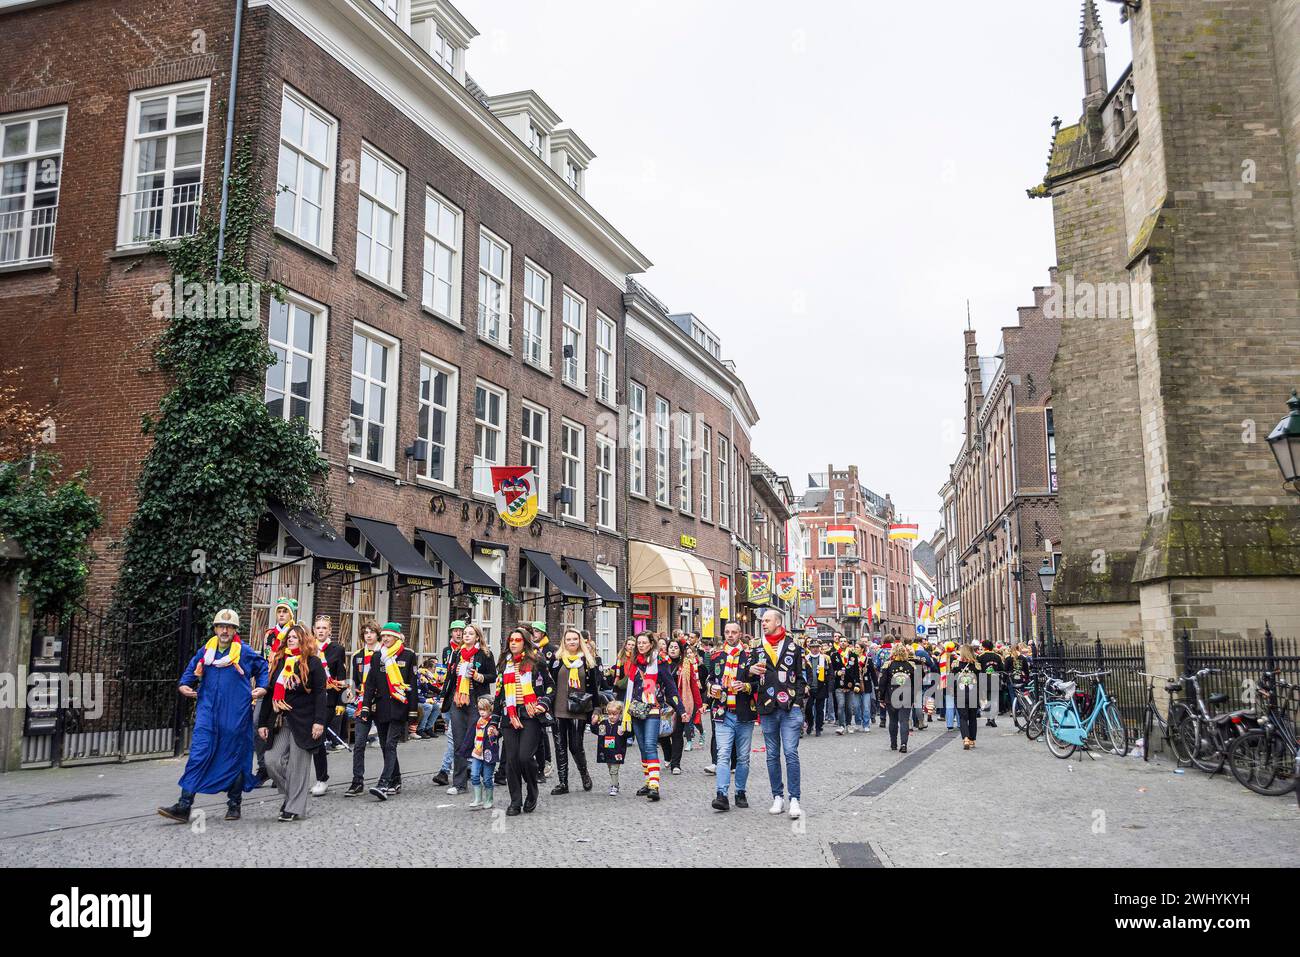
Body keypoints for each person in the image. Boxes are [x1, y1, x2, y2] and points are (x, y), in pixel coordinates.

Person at [159, 609, 269, 823]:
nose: (225, 630)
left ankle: (234, 804)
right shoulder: (206, 651)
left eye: (229, 627)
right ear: (215, 629)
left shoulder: (244, 652)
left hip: (234, 715)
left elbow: (263, 667)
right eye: (221, 626)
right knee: (198, 755)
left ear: (235, 630)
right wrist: (184, 684)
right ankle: (184, 805)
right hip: (208, 714)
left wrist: (262, 687)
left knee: (234, 757)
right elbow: (191, 671)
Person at [257, 623, 327, 821]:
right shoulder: (281, 662)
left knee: (297, 766)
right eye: (289, 637)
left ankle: (294, 807)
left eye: (295, 637)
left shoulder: (313, 663)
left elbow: (321, 694)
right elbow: (270, 693)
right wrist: (263, 722)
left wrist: (319, 722)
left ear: (304, 640)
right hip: (281, 720)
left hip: (305, 721)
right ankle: (293, 796)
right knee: (271, 761)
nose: (291, 639)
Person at [494, 626, 554, 815]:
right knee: (511, 760)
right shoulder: (504, 663)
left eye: (517, 640)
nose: (513, 643)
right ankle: (515, 801)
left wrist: (543, 703)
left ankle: (532, 790)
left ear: (525, 642)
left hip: (531, 715)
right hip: (509, 715)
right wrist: (494, 721)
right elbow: (499, 694)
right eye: (511, 640)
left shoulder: (537, 662)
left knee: (525, 757)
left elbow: (551, 686)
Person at [617, 631, 683, 802]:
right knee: (642, 748)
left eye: (644, 642)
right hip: (635, 709)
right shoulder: (634, 663)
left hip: (653, 708)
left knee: (650, 745)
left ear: (651, 644)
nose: (640, 645)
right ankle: (648, 782)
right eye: (639, 642)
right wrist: (624, 713)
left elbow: (671, 687)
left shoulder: (659, 662)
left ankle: (654, 785)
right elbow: (630, 690)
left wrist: (681, 709)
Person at [753, 609, 805, 819]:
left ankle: (794, 798)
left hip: (789, 707)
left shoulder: (794, 647)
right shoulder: (757, 648)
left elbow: (802, 676)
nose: (763, 623)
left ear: (778, 622)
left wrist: (798, 702)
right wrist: (749, 674)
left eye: (767, 620)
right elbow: (751, 677)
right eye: (762, 621)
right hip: (767, 707)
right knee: (772, 755)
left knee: (791, 753)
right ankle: (777, 796)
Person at [434, 622, 495, 795]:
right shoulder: (457, 654)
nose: (466, 635)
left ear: (477, 637)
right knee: (459, 742)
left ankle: (483, 775)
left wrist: (478, 676)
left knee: (478, 740)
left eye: (470, 633)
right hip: (457, 701)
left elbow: (493, 676)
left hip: (476, 701)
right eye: (465, 633)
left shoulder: (484, 654)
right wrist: (443, 696)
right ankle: (460, 784)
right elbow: (449, 678)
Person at [360, 622, 418, 801]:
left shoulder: (408, 656)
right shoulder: (377, 657)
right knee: (386, 746)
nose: (384, 639)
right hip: (381, 708)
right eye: (383, 636)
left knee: (391, 745)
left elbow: (413, 685)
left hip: (399, 706)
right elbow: (370, 684)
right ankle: (396, 779)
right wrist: (365, 706)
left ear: (397, 637)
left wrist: (413, 712)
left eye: (388, 636)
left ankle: (384, 783)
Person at [708, 621, 757, 811]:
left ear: (740, 634)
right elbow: (710, 679)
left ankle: (740, 792)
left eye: (733, 632)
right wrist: (711, 688)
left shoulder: (750, 657)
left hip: (744, 712)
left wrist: (745, 686)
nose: (730, 635)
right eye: (727, 632)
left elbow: (759, 685)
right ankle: (721, 794)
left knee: (743, 757)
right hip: (723, 712)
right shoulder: (716, 657)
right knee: (723, 755)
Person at [549, 627, 599, 795]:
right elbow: (550, 685)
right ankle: (563, 783)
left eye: (574, 639)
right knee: (560, 746)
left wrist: (597, 709)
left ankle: (584, 774)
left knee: (576, 746)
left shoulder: (588, 662)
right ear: (564, 641)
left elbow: (594, 688)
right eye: (568, 639)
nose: (572, 642)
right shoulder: (556, 661)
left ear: (580, 641)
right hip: (558, 709)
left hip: (579, 709)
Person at [254, 597, 297, 784]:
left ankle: (280, 767)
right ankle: (263, 767)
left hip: (286, 685)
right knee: (257, 722)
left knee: (282, 727)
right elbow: (264, 660)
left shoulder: (295, 634)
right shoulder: (269, 635)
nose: (281, 615)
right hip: (267, 684)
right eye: (279, 611)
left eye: (285, 612)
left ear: (291, 615)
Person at [344, 619, 382, 796]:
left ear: (377, 634)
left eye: (372, 632)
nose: (368, 635)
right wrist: (353, 691)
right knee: (359, 743)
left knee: (387, 744)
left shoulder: (384, 653)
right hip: (362, 702)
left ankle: (393, 777)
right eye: (366, 632)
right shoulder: (358, 655)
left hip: (381, 702)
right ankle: (357, 781)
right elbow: (356, 680)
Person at [310, 615, 346, 795]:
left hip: (329, 700)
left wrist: (341, 702)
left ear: (329, 631)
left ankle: (322, 778)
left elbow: (341, 677)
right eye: (318, 628)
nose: (321, 631)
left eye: (324, 628)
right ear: (314, 630)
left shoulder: (337, 649)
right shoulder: (308, 648)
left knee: (318, 738)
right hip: (310, 700)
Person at [433, 620, 467, 781]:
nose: (459, 633)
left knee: (453, 735)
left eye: (461, 630)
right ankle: (468, 766)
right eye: (456, 631)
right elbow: (447, 675)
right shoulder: (447, 651)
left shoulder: (468, 651)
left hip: (462, 697)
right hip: (449, 696)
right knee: (456, 735)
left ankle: (444, 770)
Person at [660, 636, 699, 773]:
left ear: (680, 650)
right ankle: (669, 756)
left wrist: (699, 704)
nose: (673, 649)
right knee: (663, 734)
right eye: (671, 647)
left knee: (677, 734)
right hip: (663, 703)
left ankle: (676, 764)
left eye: (676, 647)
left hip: (680, 703)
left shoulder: (686, 664)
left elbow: (693, 685)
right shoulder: (661, 663)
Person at [464, 696, 500, 810]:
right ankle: (478, 799)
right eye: (480, 710)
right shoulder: (477, 721)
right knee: (474, 775)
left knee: (487, 778)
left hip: (488, 754)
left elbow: (499, 734)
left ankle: (489, 799)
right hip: (477, 752)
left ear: (490, 710)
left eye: (484, 710)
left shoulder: (493, 722)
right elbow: (470, 735)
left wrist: (495, 732)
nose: (482, 712)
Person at [879, 643, 915, 753]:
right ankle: (904, 744)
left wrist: (881, 698)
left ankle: (893, 744)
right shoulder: (911, 665)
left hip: (891, 696)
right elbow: (916, 683)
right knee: (904, 721)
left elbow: (882, 683)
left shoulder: (888, 665)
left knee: (893, 720)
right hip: (906, 696)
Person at [591, 699, 630, 795]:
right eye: (610, 714)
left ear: (620, 714)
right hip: (606, 751)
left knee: (614, 769)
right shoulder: (603, 723)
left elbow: (630, 734)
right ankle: (615, 782)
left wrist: (624, 731)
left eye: (614, 714)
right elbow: (596, 731)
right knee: (610, 768)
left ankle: (614, 786)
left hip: (617, 751)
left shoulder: (622, 724)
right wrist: (593, 723)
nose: (611, 716)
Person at [951, 644, 982, 750]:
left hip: (959, 694)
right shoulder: (977, 665)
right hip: (973, 694)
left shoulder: (955, 664)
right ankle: (972, 739)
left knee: (963, 718)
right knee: (973, 717)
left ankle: (966, 739)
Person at [975, 640, 1006, 727]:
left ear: (984, 647)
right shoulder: (997, 656)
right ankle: (992, 718)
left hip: (984, 680)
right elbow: (1001, 668)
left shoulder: (980, 657)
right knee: (994, 700)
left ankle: (989, 718)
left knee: (986, 700)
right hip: (995, 679)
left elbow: (977, 669)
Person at [803, 638, 830, 737]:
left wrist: (829, 686)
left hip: (821, 687)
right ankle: (810, 724)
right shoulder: (805, 658)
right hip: (809, 688)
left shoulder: (825, 658)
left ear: (820, 648)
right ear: (809, 648)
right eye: (813, 647)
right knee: (808, 708)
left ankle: (818, 728)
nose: (815, 649)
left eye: (817, 647)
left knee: (820, 709)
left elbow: (830, 673)